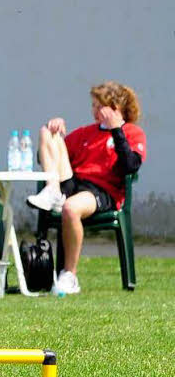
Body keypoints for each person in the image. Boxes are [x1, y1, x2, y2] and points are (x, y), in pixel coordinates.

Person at [26, 81, 146, 295]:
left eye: (100, 107)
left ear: (116, 108)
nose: (95, 111)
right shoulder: (85, 133)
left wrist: (116, 130)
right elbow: (43, 158)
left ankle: (69, 275)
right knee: (47, 132)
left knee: (71, 208)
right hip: (74, 184)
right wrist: (56, 128)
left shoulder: (132, 132)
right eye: (93, 106)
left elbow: (130, 166)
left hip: (102, 192)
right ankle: (52, 190)